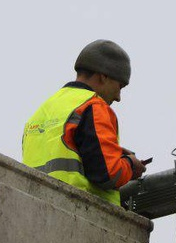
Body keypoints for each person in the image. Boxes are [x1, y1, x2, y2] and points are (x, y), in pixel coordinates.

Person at [22, 40, 146, 205]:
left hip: (34, 210)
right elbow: (108, 174)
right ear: (104, 76)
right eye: (120, 86)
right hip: (78, 212)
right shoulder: (93, 106)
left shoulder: (41, 111)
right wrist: (130, 165)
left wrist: (109, 150)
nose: (118, 97)